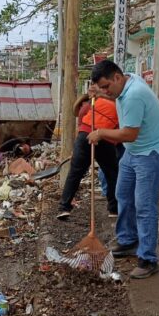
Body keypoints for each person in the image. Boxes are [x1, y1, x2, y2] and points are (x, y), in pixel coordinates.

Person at [87, 60, 159, 279]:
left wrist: (100, 132)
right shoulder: (127, 81)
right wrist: (102, 93)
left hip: (151, 153)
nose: (106, 91)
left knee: (144, 205)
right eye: (102, 88)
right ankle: (128, 240)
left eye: (106, 86)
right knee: (122, 194)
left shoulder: (134, 94)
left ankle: (148, 259)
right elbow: (115, 96)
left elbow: (128, 134)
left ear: (117, 77)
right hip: (133, 152)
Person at [57, 85, 121, 220]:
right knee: (112, 174)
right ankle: (114, 208)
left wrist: (77, 147)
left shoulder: (94, 103)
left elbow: (81, 126)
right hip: (104, 137)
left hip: (87, 135)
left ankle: (64, 207)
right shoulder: (119, 105)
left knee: (75, 172)